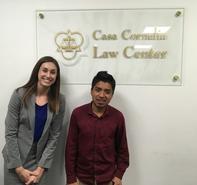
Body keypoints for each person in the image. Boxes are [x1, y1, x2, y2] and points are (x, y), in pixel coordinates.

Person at [2, 56, 66, 185]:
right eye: (45, 70)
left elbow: (54, 136)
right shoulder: (19, 94)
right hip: (15, 161)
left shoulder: (60, 100)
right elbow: (10, 133)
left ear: (56, 77)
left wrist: (41, 168)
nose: (48, 75)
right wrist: (19, 169)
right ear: (37, 71)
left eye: (53, 72)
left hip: (39, 163)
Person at [65, 71, 129, 185]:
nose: (102, 95)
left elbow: (123, 151)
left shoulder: (118, 117)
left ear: (112, 95)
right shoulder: (78, 114)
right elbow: (70, 149)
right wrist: (71, 179)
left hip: (109, 180)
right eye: (98, 90)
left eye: (107, 92)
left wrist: (118, 175)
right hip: (81, 180)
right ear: (91, 91)